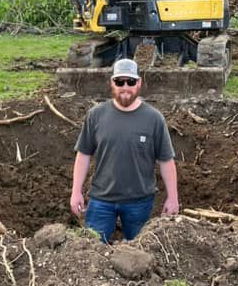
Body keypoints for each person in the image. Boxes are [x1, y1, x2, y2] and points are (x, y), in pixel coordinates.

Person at [70, 58, 179, 243]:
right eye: (120, 82)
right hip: (101, 199)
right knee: (92, 251)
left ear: (139, 83)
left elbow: (166, 160)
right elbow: (84, 154)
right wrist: (76, 191)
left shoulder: (154, 119)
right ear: (112, 83)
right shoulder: (96, 116)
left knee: (138, 251)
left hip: (139, 201)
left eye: (131, 81)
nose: (125, 87)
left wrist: (173, 197)